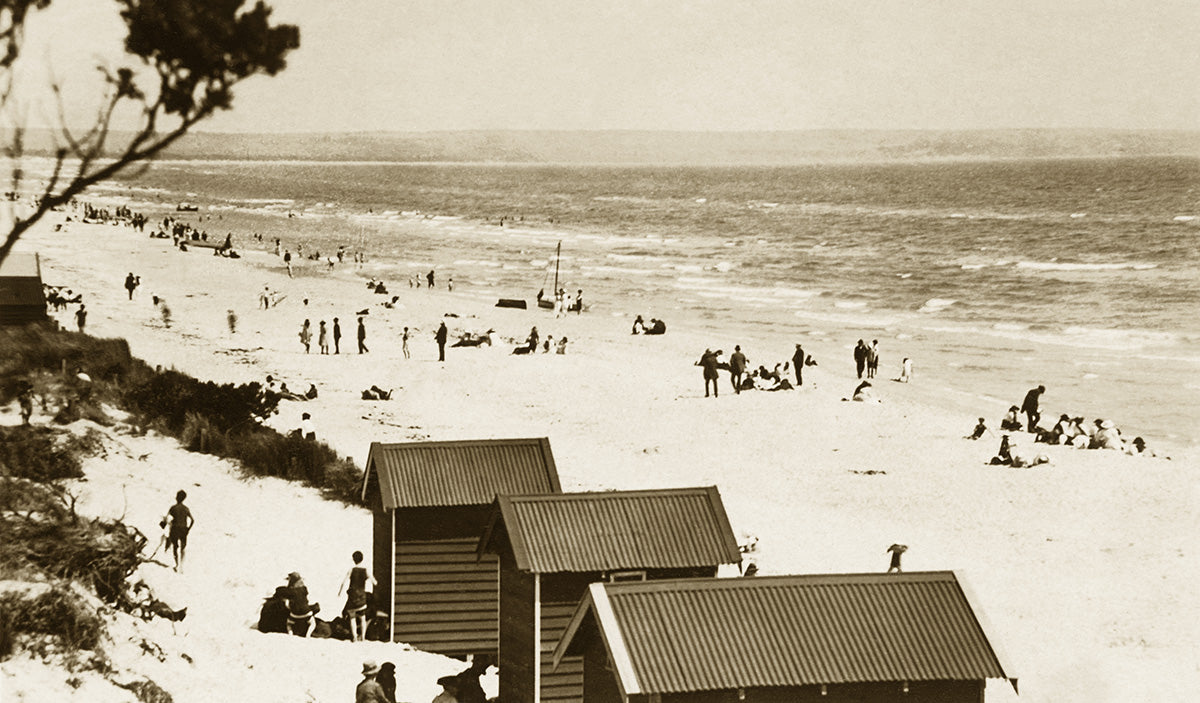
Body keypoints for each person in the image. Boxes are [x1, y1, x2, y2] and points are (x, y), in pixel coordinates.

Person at [339, 550, 377, 641]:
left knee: (352, 617)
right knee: (362, 617)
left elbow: (343, 582)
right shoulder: (366, 570)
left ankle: (354, 637)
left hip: (352, 597)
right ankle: (363, 637)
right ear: (362, 559)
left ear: (354, 559)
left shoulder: (351, 570)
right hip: (361, 596)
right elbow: (374, 582)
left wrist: (339, 593)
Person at [164, 490, 194, 573]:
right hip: (184, 529)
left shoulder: (173, 508)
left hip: (175, 529)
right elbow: (192, 520)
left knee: (175, 547)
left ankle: (176, 565)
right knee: (183, 548)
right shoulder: (186, 509)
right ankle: (181, 566)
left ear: (177, 497)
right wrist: (188, 529)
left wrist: (163, 525)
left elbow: (166, 519)